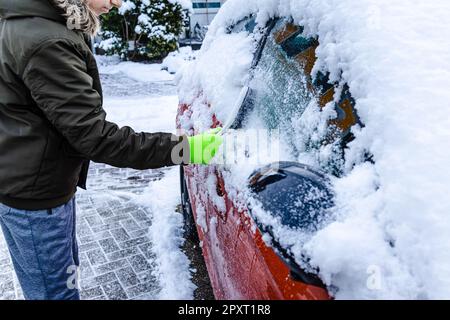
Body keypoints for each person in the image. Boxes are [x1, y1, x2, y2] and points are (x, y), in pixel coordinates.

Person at [0, 0, 222, 300]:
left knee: (64, 278)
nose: (117, 2)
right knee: (56, 294)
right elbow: (95, 137)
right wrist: (184, 149)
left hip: (31, 184)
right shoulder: (47, 39)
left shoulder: (32, 20)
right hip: (36, 199)